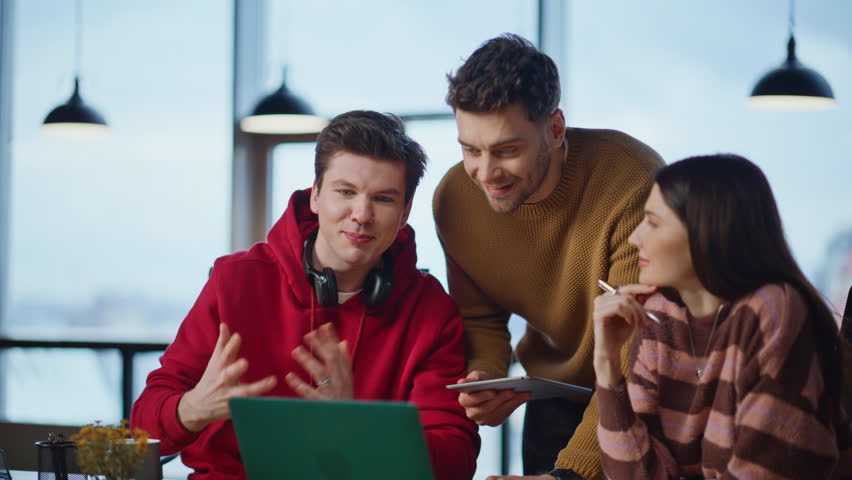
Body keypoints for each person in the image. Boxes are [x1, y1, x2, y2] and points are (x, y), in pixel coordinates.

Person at [131, 110, 480, 480]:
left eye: (383, 199)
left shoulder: (431, 310)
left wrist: (356, 427)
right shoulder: (234, 281)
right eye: (345, 192)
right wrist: (193, 408)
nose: (361, 214)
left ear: (405, 211)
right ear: (315, 195)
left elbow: (455, 460)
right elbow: (142, 427)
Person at [433, 34, 664, 480]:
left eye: (506, 150)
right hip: (551, 397)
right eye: (470, 149)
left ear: (555, 129)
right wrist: (487, 377)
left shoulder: (634, 185)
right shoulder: (455, 200)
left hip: (638, 394)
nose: (485, 172)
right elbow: (480, 317)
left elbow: (638, 353)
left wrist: (569, 476)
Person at [593, 154, 849, 479]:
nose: (635, 238)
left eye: (653, 223)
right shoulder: (659, 312)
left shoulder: (772, 309)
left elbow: (767, 472)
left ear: (706, 231)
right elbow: (635, 475)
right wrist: (606, 364)